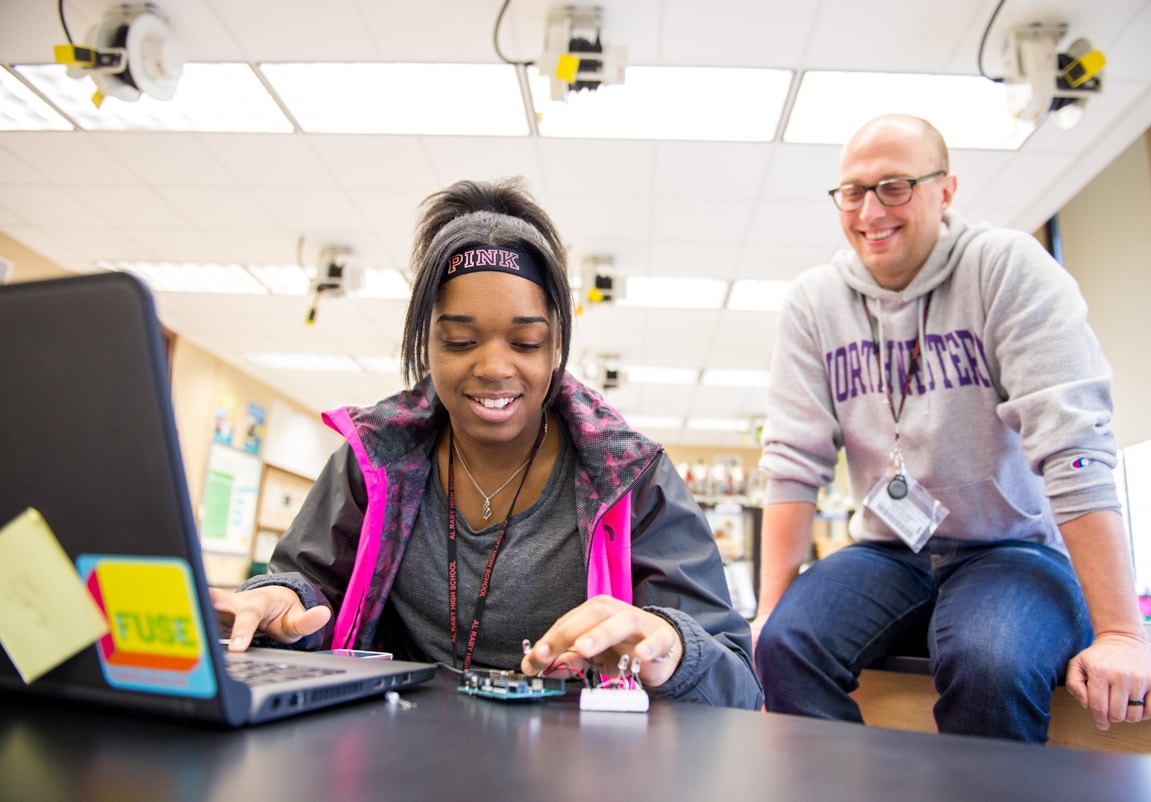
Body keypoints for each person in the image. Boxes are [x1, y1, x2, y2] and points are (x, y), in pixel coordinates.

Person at [210, 177, 762, 709]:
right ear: (426, 341)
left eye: (525, 342)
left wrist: (669, 648)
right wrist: (284, 602)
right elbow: (308, 592)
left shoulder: (630, 478)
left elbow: (739, 682)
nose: (495, 366)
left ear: (556, 347)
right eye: (461, 340)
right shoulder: (375, 459)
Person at [752, 114, 1151, 741]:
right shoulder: (815, 302)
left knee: (989, 663)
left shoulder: (1005, 269)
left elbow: (1073, 446)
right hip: (890, 551)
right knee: (783, 647)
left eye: (896, 186)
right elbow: (792, 461)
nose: (870, 210)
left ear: (946, 190)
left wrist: (1122, 633)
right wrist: (766, 612)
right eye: (854, 192)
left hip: (1012, 548)